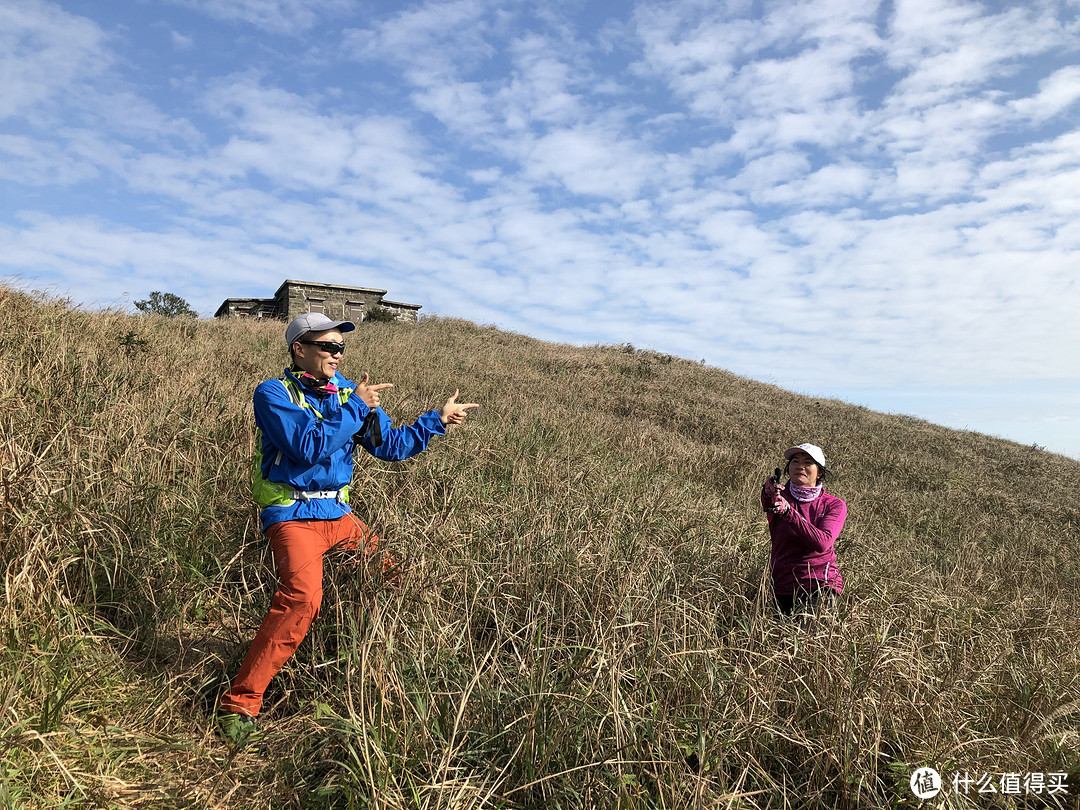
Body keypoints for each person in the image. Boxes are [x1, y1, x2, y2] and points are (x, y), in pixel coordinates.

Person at [216, 312, 478, 743]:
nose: (338, 355)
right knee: (301, 601)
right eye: (328, 346)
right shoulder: (273, 394)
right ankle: (240, 703)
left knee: (392, 576)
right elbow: (305, 447)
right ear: (299, 349)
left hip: (339, 518)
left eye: (341, 347)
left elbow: (389, 447)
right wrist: (356, 406)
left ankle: (376, 668)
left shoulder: (348, 395)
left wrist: (437, 420)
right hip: (293, 517)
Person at [760, 442, 845, 616]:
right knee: (779, 642)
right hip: (782, 585)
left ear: (819, 472)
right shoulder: (779, 496)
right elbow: (769, 501)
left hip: (821, 585)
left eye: (808, 463)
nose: (800, 466)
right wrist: (766, 491)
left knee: (804, 640)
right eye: (795, 461)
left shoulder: (833, 505)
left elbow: (822, 542)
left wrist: (789, 513)